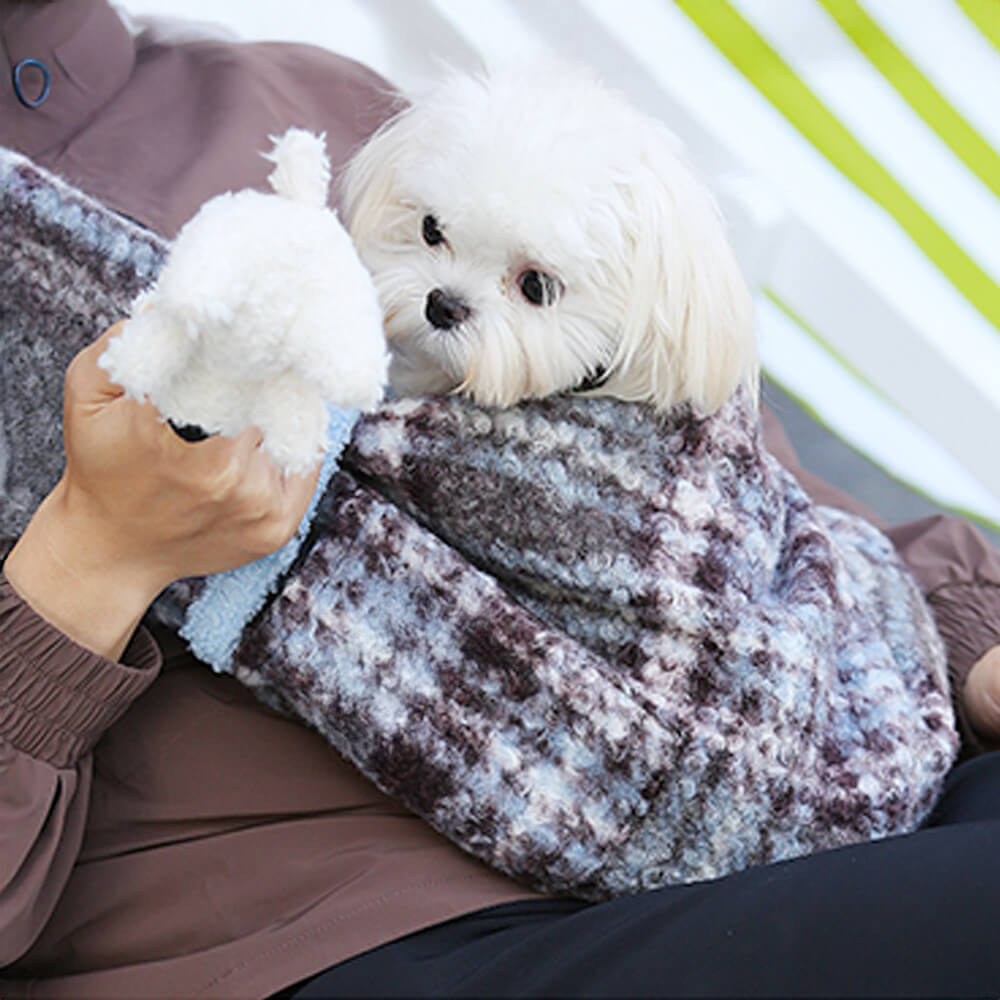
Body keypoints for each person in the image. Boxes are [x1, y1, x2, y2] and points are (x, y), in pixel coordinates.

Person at [2, 3, 1000, 996]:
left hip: (800, 771)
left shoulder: (310, 94)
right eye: (430, 236)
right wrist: (94, 555)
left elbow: (738, 488)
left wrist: (969, 625)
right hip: (334, 933)